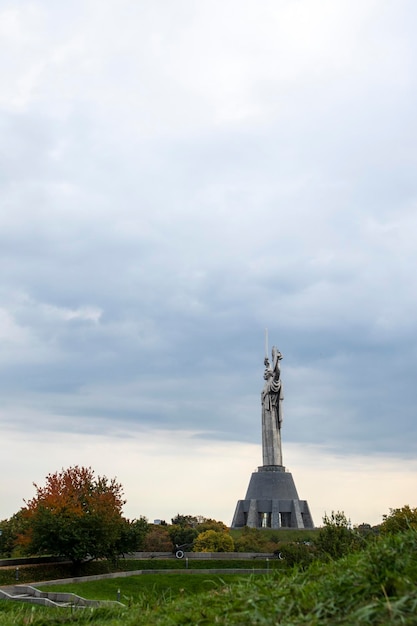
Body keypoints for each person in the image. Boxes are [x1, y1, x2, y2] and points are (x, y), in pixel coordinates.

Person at [261, 346, 284, 466]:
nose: (264, 373)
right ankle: (267, 463)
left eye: (266, 371)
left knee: (273, 438)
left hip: (272, 416)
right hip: (265, 416)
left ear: (271, 374)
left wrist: (277, 361)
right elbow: (271, 370)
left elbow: (277, 374)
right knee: (266, 439)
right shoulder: (266, 385)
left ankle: (274, 463)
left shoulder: (274, 382)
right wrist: (268, 363)